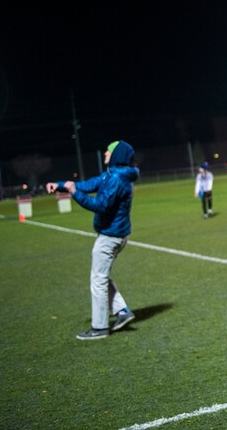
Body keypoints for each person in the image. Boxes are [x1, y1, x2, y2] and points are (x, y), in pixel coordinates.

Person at [46, 140, 139, 340]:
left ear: (117, 155)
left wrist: (74, 193)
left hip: (110, 236)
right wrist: (62, 185)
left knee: (98, 279)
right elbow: (89, 184)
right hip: (115, 234)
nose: (105, 152)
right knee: (102, 275)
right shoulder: (113, 174)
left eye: (109, 150)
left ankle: (99, 328)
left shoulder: (116, 179)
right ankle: (122, 311)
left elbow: (100, 205)